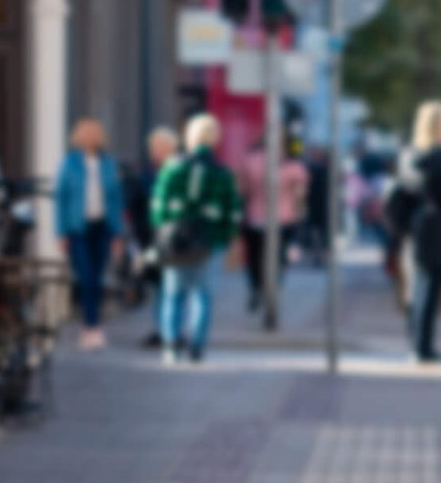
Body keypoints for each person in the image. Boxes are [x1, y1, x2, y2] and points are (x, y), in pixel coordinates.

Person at [151, 113, 241, 364]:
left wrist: (164, 229)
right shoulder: (222, 173)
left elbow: (158, 205)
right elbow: (232, 211)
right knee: (202, 294)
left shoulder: (173, 167)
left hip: (175, 241)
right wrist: (227, 238)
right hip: (209, 241)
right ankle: (196, 346)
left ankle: (171, 345)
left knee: (173, 293)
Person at [397, 99, 441, 364]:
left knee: (420, 288)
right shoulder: (440, 158)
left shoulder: (412, 155)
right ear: (440, 127)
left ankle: (419, 344)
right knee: (429, 289)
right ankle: (423, 348)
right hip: (439, 232)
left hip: (419, 229)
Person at [56, 117, 126, 350]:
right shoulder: (70, 164)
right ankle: (89, 325)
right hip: (78, 228)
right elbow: (61, 199)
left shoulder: (107, 163)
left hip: (102, 227)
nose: (90, 138)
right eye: (86, 133)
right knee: (85, 277)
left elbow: (116, 199)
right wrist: (61, 231)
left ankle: (94, 326)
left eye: (94, 133)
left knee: (97, 278)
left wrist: (117, 232)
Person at [237, 138, 310, 310]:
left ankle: (256, 287)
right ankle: (274, 287)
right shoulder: (293, 166)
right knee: (280, 258)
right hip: (283, 218)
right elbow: (300, 194)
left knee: (255, 257)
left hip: (255, 216)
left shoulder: (251, 161)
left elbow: (242, 190)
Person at [128, 126, 181, 347]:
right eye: (154, 148)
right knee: (159, 287)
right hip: (150, 238)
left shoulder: (179, 172)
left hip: (176, 239)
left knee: (175, 286)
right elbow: (136, 206)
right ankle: (164, 330)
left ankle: (173, 331)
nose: (156, 151)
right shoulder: (146, 175)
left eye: (160, 147)